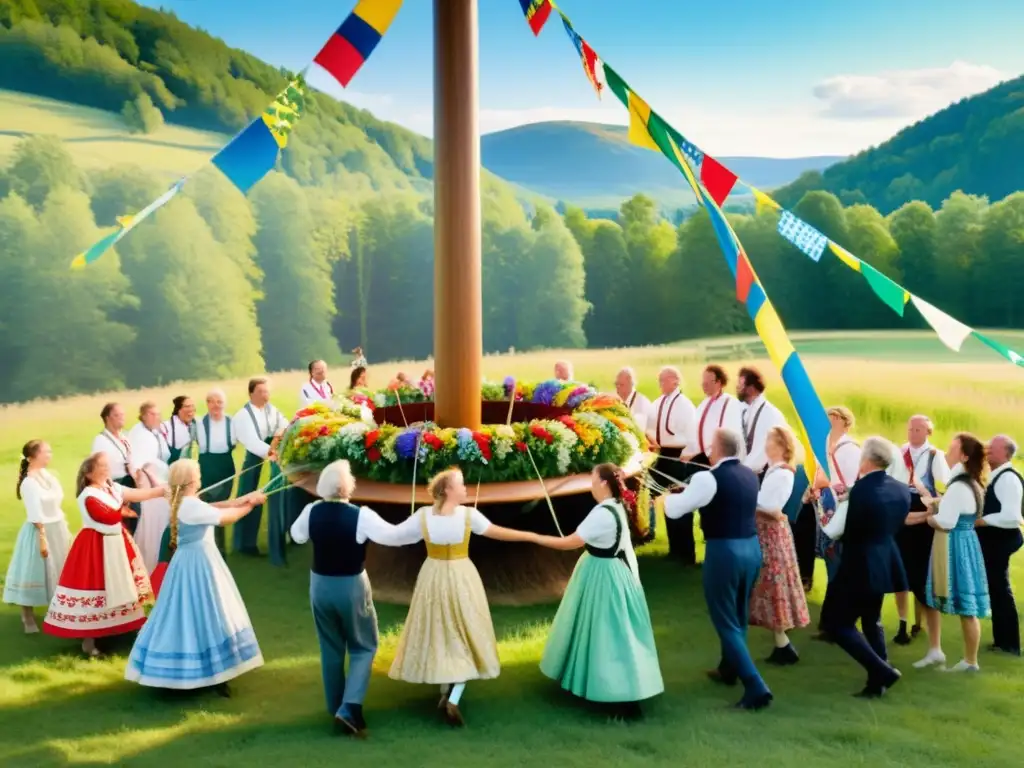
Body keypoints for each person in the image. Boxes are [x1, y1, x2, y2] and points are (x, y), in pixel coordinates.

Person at [385, 468, 538, 727]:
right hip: (461, 576)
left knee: (439, 631)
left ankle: (446, 693)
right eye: (461, 484)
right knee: (466, 632)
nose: (466, 488)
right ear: (447, 490)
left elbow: (394, 536)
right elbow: (498, 532)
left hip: (433, 576)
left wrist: (359, 528)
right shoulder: (467, 516)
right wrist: (532, 536)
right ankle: (453, 696)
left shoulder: (425, 516)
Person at [532, 463, 663, 720]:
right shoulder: (614, 506)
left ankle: (621, 696)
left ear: (604, 482)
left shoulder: (603, 513)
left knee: (608, 633)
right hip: (600, 570)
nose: (590, 483)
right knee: (594, 627)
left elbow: (571, 542)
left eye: (593, 478)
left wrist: (536, 539)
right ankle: (588, 680)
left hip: (605, 575)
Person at [126, 460, 265, 694]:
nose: (200, 477)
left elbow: (216, 506)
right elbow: (225, 517)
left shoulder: (186, 502)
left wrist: (244, 499)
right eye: (198, 474)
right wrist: (251, 505)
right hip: (198, 564)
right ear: (192, 480)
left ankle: (202, 671)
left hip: (191, 561)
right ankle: (211, 673)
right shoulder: (190, 505)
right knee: (209, 612)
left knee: (191, 613)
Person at [289, 461, 406, 736]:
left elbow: (296, 536)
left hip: (319, 585)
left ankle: (335, 706)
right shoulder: (361, 515)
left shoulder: (311, 511)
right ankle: (349, 708)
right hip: (350, 585)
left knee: (330, 648)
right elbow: (392, 537)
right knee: (364, 645)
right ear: (349, 486)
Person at [663, 428, 772, 710]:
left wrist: (665, 500)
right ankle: (729, 669)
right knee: (738, 614)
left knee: (725, 619)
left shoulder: (706, 477)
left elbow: (677, 510)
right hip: (751, 548)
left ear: (716, 449)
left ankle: (755, 686)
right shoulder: (749, 474)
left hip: (725, 550)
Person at [42, 453, 162, 657]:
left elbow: (139, 494)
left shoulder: (112, 488)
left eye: (107, 465)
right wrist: (123, 510)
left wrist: (164, 490)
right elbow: (105, 516)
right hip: (96, 546)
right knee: (96, 587)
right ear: (89, 473)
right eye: (102, 466)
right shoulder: (88, 495)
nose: (107, 469)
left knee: (123, 586)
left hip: (117, 543)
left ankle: (122, 630)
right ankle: (89, 641)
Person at [819, 437, 908, 698]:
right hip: (886, 559)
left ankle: (881, 670)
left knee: (838, 625)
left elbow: (836, 530)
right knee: (871, 619)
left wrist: (824, 512)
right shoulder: (901, 489)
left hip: (859, 562)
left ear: (866, 460)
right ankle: (876, 682)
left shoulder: (860, 491)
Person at [914, 433, 991, 672]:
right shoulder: (971, 481)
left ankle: (970, 661)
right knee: (965, 604)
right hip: (966, 540)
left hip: (955, 544)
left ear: (964, 456)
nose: (947, 451)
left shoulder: (959, 485)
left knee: (966, 606)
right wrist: (939, 503)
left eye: (953, 448)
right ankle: (961, 658)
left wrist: (930, 518)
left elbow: (946, 522)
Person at [749, 426, 810, 666]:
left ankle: (783, 645)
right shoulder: (774, 470)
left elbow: (773, 509)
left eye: (770, 440)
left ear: (783, 445)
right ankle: (781, 644)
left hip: (771, 535)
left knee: (773, 585)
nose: (766, 444)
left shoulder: (783, 474)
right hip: (765, 532)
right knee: (768, 586)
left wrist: (746, 499)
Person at [891, 415, 951, 646]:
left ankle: (921, 621)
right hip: (902, 508)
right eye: (910, 429)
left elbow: (943, 487)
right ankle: (903, 623)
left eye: (918, 429)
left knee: (919, 570)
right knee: (900, 571)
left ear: (928, 432)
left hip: (922, 513)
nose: (913, 433)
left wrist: (930, 502)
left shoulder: (935, 455)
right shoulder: (900, 451)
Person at [4, 440, 72, 634]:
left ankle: (58, 610)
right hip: (40, 529)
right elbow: (35, 511)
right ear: (33, 456)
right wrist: (42, 535)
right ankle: (27, 616)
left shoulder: (48, 476)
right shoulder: (29, 482)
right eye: (46, 452)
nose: (50, 455)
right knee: (33, 571)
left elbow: (56, 503)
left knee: (60, 567)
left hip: (57, 526)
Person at [976, 435, 1023, 656]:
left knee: (1000, 590)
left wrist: (981, 521)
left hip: (1001, 541)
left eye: (992, 448)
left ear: (1006, 453)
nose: (987, 451)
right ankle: (1002, 641)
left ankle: (1010, 645)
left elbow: (1012, 516)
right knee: (996, 589)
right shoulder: (995, 476)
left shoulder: (1008, 479)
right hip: (995, 541)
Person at [646, 366, 698, 565]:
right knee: (651, 492)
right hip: (661, 454)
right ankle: (671, 547)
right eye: (659, 380)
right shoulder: (657, 403)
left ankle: (685, 553)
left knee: (679, 500)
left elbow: (691, 433)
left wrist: (686, 456)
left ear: (675, 381)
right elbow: (649, 426)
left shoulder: (684, 405)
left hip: (679, 454)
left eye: (663, 380)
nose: (660, 384)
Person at [232, 377, 288, 562]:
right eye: (261, 392)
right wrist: (270, 451)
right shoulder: (243, 415)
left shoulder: (272, 410)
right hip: (255, 455)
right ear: (251, 394)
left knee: (266, 494)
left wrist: (279, 435)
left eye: (267, 391)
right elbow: (251, 441)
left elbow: (284, 423)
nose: (265, 395)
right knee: (248, 496)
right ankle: (244, 543)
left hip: (271, 453)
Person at [815, 406, 862, 583]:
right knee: (829, 550)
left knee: (837, 552)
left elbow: (852, 483)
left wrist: (833, 488)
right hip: (828, 505)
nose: (830, 420)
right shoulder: (826, 445)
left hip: (841, 506)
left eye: (834, 417)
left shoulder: (849, 448)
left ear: (843, 421)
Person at [129, 401, 173, 572]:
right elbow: (139, 466)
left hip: (160, 479)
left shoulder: (155, 432)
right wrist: (155, 485)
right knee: (152, 522)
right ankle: (150, 563)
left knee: (162, 519)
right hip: (151, 484)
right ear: (144, 415)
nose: (157, 417)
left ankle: (160, 560)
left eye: (158, 414)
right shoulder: (139, 434)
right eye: (153, 414)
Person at [195, 388, 236, 555]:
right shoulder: (199, 423)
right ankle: (206, 546)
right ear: (207, 404)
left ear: (224, 404)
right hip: (206, 467)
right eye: (212, 401)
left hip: (225, 466)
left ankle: (220, 549)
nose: (216, 405)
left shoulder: (231, 422)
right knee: (206, 507)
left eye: (219, 402)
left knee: (221, 508)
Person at [90, 402, 139, 530]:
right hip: (114, 484)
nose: (122, 418)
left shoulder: (125, 437)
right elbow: (98, 469)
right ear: (108, 418)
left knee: (134, 521)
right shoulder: (100, 441)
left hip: (130, 483)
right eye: (117, 415)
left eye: (122, 415)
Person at [736, 367, 786, 480]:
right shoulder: (744, 410)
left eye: (740, 384)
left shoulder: (769, 414)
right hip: (748, 472)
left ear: (751, 388)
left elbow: (761, 452)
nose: (737, 387)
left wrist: (740, 471)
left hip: (765, 475)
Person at [689, 365, 744, 467]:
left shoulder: (729, 403)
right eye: (703, 382)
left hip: (718, 460)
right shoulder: (703, 404)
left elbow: (729, 435)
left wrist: (713, 456)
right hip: (700, 459)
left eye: (708, 382)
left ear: (719, 382)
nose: (704, 385)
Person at [614, 367, 653, 434]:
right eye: (616, 384)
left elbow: (640, 429)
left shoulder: (642, 402)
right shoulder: (614, 399)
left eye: (621, 385)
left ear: (631, 384)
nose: (617, 387)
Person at [163, 395, 198, 463]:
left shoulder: (196, 425)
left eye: (192, 406)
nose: (191, 409)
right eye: (187, 406)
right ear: (178, 410)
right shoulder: (166, 426)